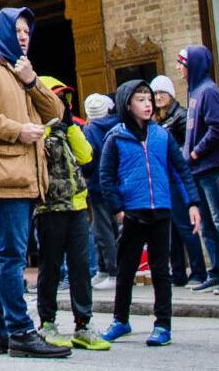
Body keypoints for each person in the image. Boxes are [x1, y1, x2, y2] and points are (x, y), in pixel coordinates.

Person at [0, 7, 68, 358]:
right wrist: (17, 130)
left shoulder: (22, 72)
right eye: (17, 30)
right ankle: (20, 330)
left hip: (23, 178)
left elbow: (57, 113)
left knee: (2, 256)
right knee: (10, 256)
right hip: (1, 177)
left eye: (27, 31)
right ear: (1, 31)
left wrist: (32, 81)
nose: (23, 36)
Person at [99, 79, 203, 346]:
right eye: (141, 99)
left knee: (160, 270)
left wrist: (193, 203)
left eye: (149, 99)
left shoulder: (162, 135)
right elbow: (106, 177)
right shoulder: (116, 137)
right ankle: (120, 320)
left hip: (161, 210)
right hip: (133, 212)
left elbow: (181, 170)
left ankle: (163, 324)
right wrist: (118, 209)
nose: (148, 104)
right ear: (127, 104)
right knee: (126, 269)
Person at [34, 79, 109, 350]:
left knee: (80, 267)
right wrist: (47, 129)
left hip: (77, 205)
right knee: (51, 267)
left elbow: (87, 156)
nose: (63, 105)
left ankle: (83, 324)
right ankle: (47, 323)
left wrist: (70, 127)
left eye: (65, 100)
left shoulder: (70, 129)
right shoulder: (36, 130)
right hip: (50, 208)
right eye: (57, 100)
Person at [180, 45, 219, 294]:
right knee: (207, 225)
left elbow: (217, 128)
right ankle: (215, 271)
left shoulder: (208, 92)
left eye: (182, 63)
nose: (179, 69)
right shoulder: (194, 92)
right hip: (197, 170)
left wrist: (194, 152)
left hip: (211, 167)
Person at [151, 75, 206, 288]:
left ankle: (198, 271)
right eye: (155, 94)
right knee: (171, 229)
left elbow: (186, 145)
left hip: (177, 179)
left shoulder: (180, 116)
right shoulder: (158, 119)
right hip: (164, 180)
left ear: (171, 95)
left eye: (162, 93)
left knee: (185, 226)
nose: (158, 97)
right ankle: (178, 272)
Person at [83, 92, 120, 290]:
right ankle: (105, 270)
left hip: (97, 185)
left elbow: (88, 160)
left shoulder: (90, 130)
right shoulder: (118, 125)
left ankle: (111, 271)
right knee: (112, 227)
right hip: (116, 183)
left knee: (102, 229)